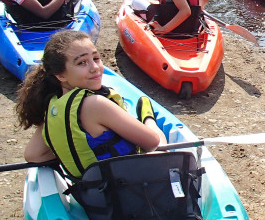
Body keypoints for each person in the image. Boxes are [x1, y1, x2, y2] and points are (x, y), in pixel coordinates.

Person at [18, 30, 167, 178]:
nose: (95, 67)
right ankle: (147, 114)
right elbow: (153, 142)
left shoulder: (54, 107)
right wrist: (148, 119)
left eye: (96, 58)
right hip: (128, 188)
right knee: (162, 145)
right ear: (60, 75)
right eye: (82, 62)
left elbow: (33, 155)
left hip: (91, 195)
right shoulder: (96, 104)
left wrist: (75, 152)